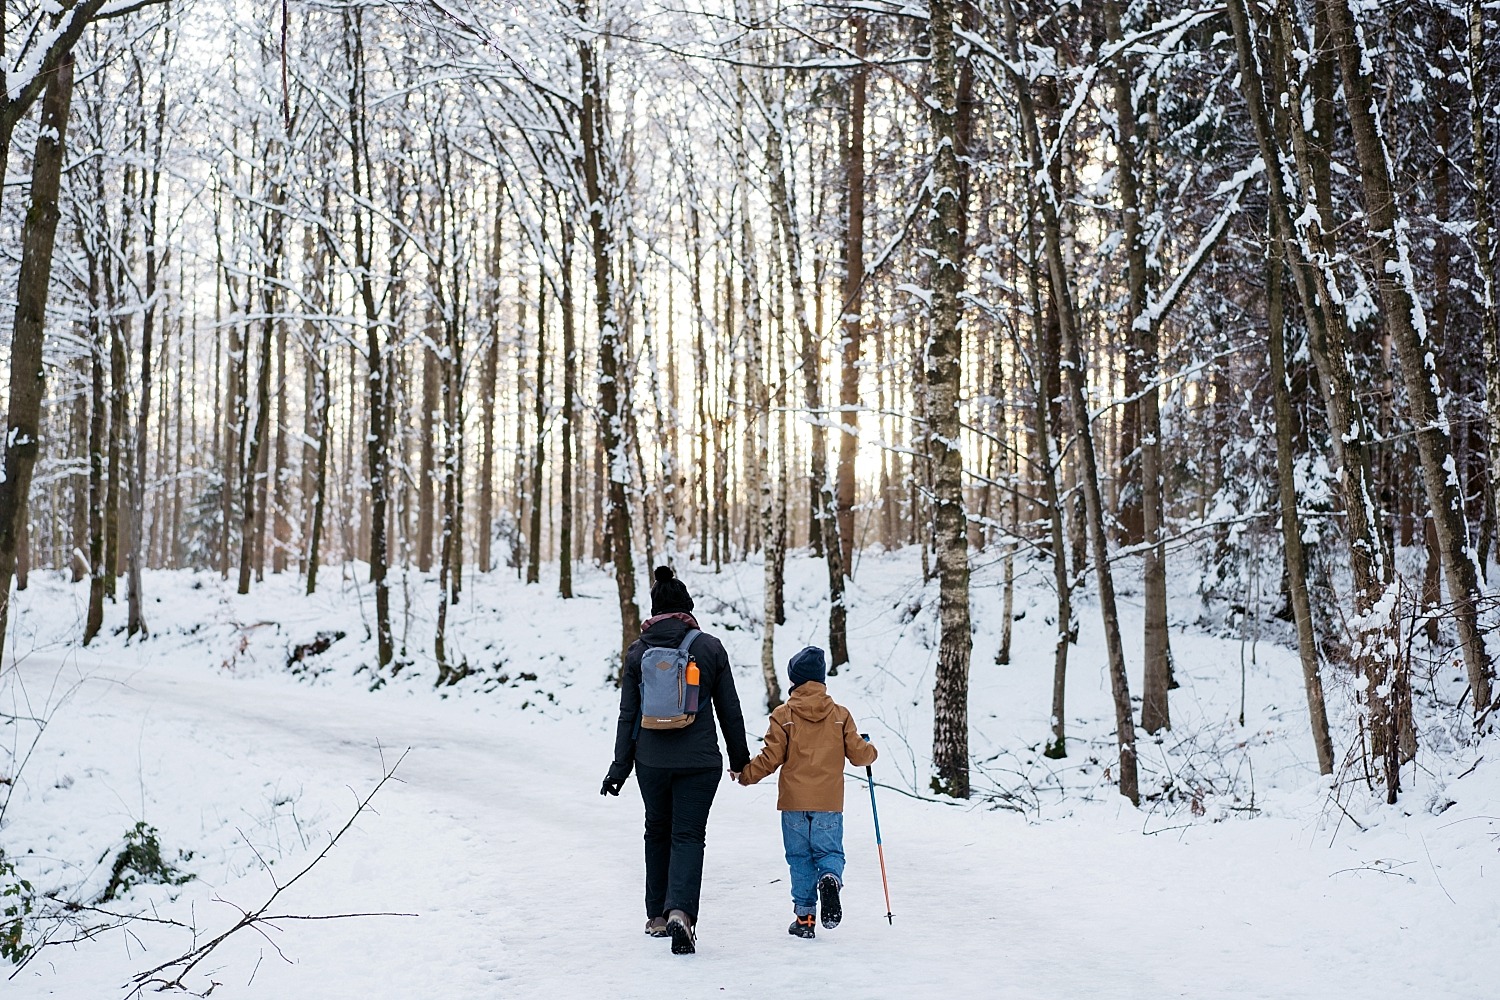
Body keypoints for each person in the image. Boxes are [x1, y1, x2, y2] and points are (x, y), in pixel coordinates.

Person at [601, 565, 750, 956]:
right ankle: (680, 912)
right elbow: (729, 710)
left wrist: (620, 768)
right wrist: (740, 759)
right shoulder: (709, 647)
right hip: (699, 762)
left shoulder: (639, 651)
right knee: (688, 835)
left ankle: (655, 917)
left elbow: (628, 715)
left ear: (654, 610)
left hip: (651, 761)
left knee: (657, 831)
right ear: (687, 608)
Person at [735, 646, 877, 939]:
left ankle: (805, 919)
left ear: (794, 680)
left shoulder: (784, 715)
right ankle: (829, 879)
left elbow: (770, 757)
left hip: (794, 804)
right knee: (829, 852)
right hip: (829, 803)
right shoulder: (840, 715)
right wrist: (870, 750)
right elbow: (860, 756)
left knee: (799, 859)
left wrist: (745, 775)